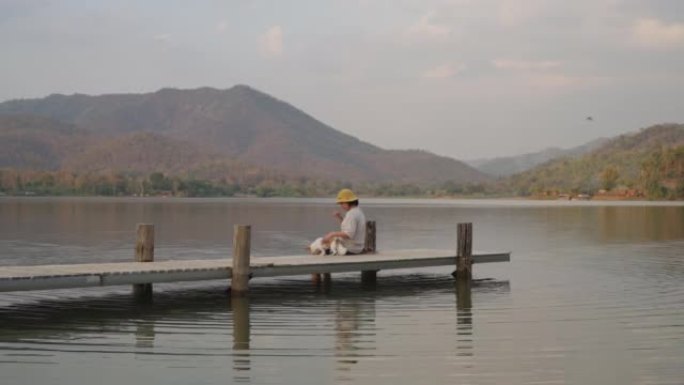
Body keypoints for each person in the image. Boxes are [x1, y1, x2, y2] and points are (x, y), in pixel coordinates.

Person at [322, 188, 366, 255]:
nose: (341, 206)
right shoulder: (358, 212)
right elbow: (348, 227)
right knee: (327, 242)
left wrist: (332, 234)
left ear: (348, 202)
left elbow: (349, 234)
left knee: (321, 244)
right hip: (358, 248)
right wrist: (339, 218)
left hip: (350, 248)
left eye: (342, 203)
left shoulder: (351, 214)